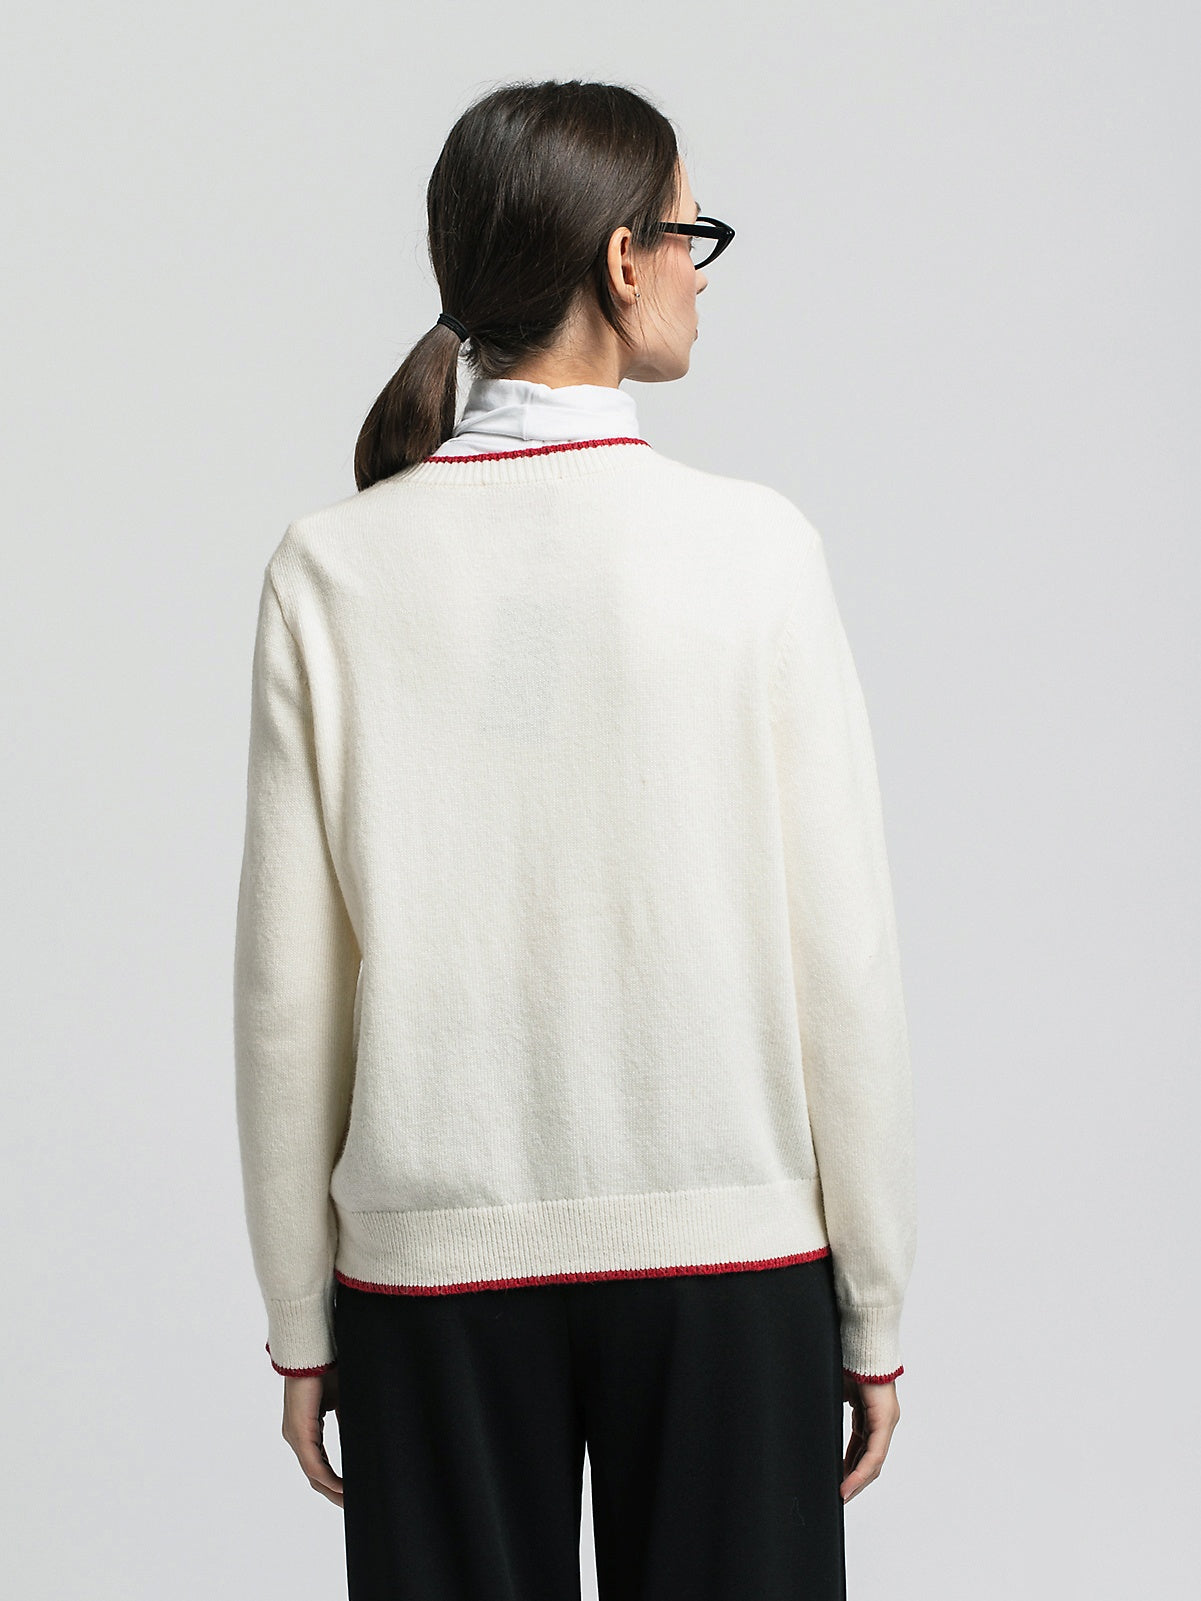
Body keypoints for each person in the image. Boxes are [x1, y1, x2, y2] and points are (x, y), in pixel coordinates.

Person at [233, 77, 917, 1601]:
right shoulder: (755, 551)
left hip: (429, 1273)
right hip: (729, 1260)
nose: (698, 276)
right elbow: (844, 959)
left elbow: (290, 992)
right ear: (621, 260)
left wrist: (300, 1315)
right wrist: (871, 1301)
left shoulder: (331, 568)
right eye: (689, 237)